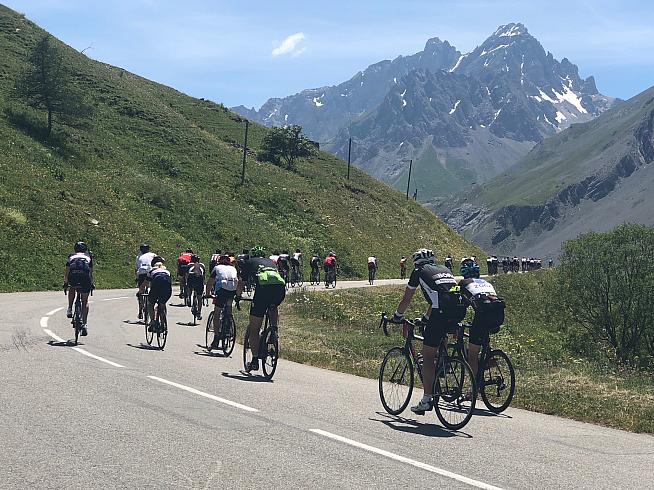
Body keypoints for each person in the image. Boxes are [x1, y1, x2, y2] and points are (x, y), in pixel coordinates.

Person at [392, 248, 467, 414]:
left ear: (416, 262)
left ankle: (427, 400)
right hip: (460, 309)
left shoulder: (418, 272)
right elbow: (440, 297)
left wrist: (397, 315)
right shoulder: (445, 269)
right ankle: (443, 364)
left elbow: (407, 298)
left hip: (442, 311)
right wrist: (425, 319)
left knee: (427, 356)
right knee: (439, 335)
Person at [237, 246, 286, 372]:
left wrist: (238, 297)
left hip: (263, 290)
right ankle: (274, 330)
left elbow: (242, 282)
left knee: (254, 329)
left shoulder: (250, 262)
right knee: (273, 306)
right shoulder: (271, 262)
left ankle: (254, 359)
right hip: (280, 288)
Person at [458, 259, 505, 381]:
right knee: (482, 337)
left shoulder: (463, 283)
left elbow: (461, 304)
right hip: (499, 314)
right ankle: (488, 358)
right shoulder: (485, 282)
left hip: (484, 315)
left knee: (472, 355)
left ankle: (475, 386)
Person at [206, 254, 238, 349]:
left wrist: (207, 294)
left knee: (217, 312)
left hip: (222, 290)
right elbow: (238, 280)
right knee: (228, 306)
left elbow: (210, 282)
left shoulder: (217, 268)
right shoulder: (233, 268)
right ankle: (228, 326)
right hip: (233, 290)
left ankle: (216, 338)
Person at [64, 241, 94, 336]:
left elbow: (67, 271)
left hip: (73, 277)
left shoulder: (71, 256)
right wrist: (91, 284)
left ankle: (69, 308)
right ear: (85, 250)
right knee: (85, 301)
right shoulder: (88, 257)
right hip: (85, 278)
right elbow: (90, 272)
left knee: (72, 288)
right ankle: (84, 324)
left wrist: (66, 282)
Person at [147, 259, 172, 332]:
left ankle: (153, 322)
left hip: (156, 283)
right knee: (162, 304)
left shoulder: (151, 271)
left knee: (150, 304)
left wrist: (140, 292)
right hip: (167, 285)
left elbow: (146, 283)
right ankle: (163, 324)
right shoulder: (167, 272)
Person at [135, 244, 156, 319]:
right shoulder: (153, 255)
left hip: (141, 273)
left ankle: (140, 311)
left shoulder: (138, 257)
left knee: (141, 293)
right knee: (152, 289)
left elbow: (137, 269)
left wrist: (136, 278)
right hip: (151, 273)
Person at [186, 254, 206, 319]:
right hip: (199, 280)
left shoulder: (189, 265)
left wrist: (187, 283)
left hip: (191, 279)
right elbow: (203, 276)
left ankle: (188, 297)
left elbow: (187, 275)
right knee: (199, 298)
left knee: (189, 287)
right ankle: (199, 313)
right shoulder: (202, 265)